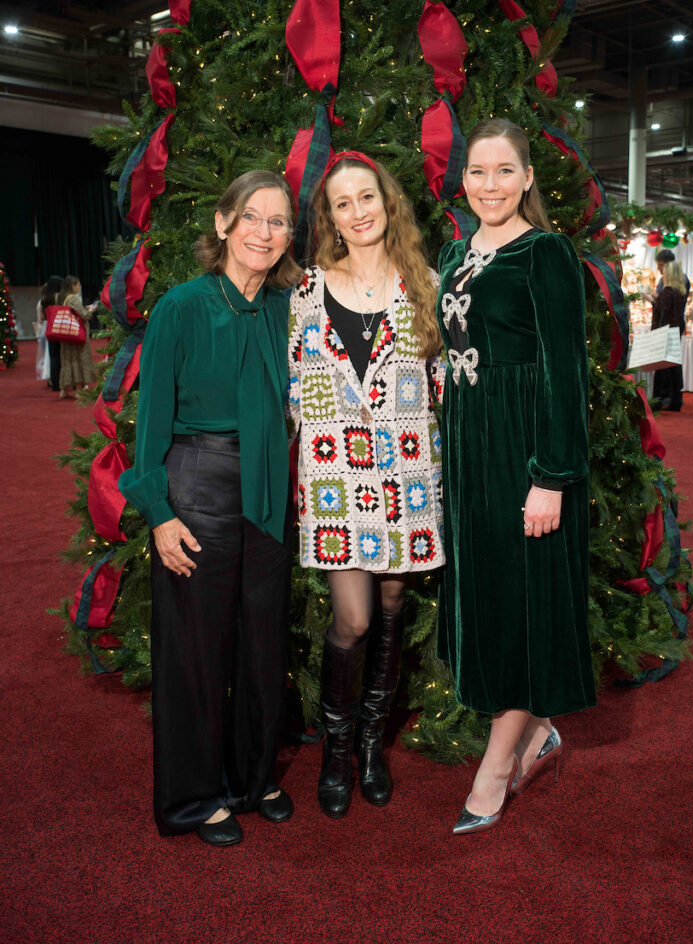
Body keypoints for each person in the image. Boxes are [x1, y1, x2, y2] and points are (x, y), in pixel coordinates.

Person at [119, 170, 304, 846]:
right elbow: (149, 425)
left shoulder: (289, 309)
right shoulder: (182, 306)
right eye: (251, 216)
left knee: (262, 642)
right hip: (196, 487)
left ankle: (252, 779)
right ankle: (193, 797)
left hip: (268, 491)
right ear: (223, 224)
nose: (263, 231)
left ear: (289, 236)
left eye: (278, 221)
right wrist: (159, 513)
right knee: (195, 650)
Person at [436, 118, 596, 835]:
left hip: (524, 452)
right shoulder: (454, 252)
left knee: (524, 603)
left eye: (505, 171)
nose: (490, 185)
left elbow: (566, 371)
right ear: (463, 179)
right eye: (478, 171)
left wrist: (551, 477)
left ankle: (497, 767)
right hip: (470, 453)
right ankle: (537, 733)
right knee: (493, 600)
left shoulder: (546, 253)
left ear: (528, 178)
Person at [288, 151, 445, 818]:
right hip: (336, 481)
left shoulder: (425, 286)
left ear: (388, 202)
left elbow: (443, 387)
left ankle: (373, 746)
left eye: (366, 197)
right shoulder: (307, 291)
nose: (357, 212)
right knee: (351, 619)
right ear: (329, 218)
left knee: (391, 604)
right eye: (342, 203)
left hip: (406, 477)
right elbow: (294, 388)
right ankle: (337, 749)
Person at [651, 259, 687, 412]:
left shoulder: (667, 291)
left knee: (661, 367)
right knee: (673, 366)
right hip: (675, 328)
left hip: (665, 330)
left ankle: (656, 400)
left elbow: (662, 312)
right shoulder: (680, 291)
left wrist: (653, 301)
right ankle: (676, 399)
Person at [56, 275, 98, 399]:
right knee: (78, 360)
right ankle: (79, 390)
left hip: (66, 334)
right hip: (76, 335)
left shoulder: (61, 297)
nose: (79, 288)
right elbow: (83, 315)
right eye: (78, 285)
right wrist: (91, 310)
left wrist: (84, 309)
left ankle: (63, 390)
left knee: (67, 361)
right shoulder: (74, 298)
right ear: (73, 286)